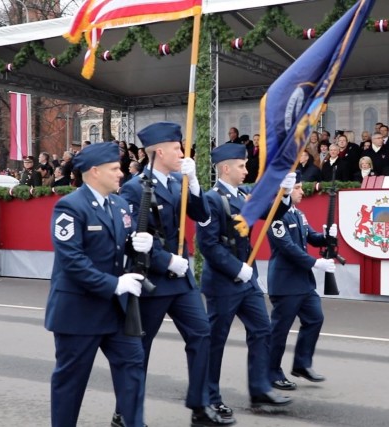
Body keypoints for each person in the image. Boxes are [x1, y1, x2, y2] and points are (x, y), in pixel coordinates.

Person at [118, 122, 233, 427]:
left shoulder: (176, 183)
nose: (182, 153)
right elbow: (134, 238)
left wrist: (194, 183)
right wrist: (166, 260)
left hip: (181, 281)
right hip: (153, 278)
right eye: (177, 148)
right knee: (139, 349)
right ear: (158, 151)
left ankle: (200, 404)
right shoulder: (134, 187)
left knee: (201, 335)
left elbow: (202, 216)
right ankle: (125, 412)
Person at [45, 143, 154, 427]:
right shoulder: (70, 206)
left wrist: (139, 244)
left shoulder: (118, 204)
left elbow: (122, 246)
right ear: (95, 172)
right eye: (115, 168)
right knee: (71, 381)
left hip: (115, 310)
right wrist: (115, 284)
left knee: (133, 366)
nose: (121, 173)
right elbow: (73, 261)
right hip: (79, 310)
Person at [197, 144, 296, 417]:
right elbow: (208, 245)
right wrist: (235, 268)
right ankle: (210, 396)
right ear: (226, 168)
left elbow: (271, 212)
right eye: (241, 166)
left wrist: (285, 193)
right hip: (223, 281)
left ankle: (260, 387)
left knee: (262, 330)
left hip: (246, 280)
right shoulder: (211, 199)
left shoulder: (243, 194)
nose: (246, 170)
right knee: (216, 340)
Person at [266, 171, 336, 391]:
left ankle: (302, 364)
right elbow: (287, 247)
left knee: (315, 318)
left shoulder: (299, 213)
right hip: (285, 283)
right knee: (280, 330)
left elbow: (310, 237)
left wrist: (326, 236)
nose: (301, 191)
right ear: (285, 190)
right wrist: (316, 264)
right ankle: (271, 372)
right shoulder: (276, 215)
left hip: (303, 282)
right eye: (297, 187)